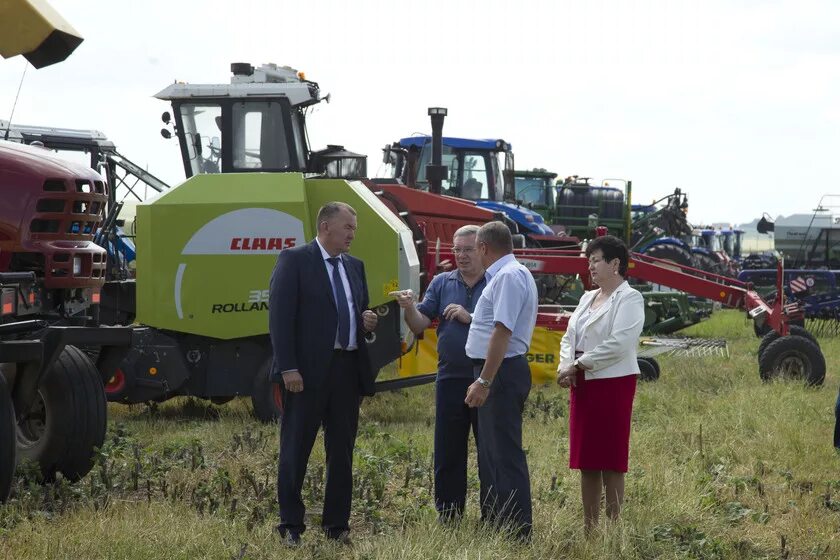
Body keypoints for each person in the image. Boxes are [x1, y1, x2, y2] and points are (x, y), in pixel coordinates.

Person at [269, 201, 379, 547]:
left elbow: (357, 311)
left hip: (346, 371)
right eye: (347, 227)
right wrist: (288, 367)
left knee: (342, 451)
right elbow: (280, 319)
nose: (352, 234)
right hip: (306, 373)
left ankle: (336, 526)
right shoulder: (295, 260)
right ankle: (290, 525)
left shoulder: (355, 267)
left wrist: (367, 322)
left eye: (354, 229)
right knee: (296, 448)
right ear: (326, 226)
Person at [392, 225, 488, 523]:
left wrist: (469, 317)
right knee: (448, 450)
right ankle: (449, 513)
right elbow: (420, 323)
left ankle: (494, 514)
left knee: (489, 451)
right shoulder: (442, 282)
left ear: (483, 249)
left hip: (485, 377)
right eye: (457, 250)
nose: (461, 256)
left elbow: (504, 326)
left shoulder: (497, 282)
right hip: (450, 377)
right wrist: (408, 308)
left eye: (468, 249)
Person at [556, 235, 644, 535]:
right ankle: (590, 529)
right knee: (587, 459)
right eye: (589, 261)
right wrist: (565, 366)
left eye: (596, 260)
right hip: (582, 384)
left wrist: (578, 365)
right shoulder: (586, 298)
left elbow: (619, 343)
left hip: (612, 384)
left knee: (612, 459)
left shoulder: (629, 298)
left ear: (615, 263)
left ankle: (614, 528)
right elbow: (569, 337)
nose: (590, 266)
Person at [464, 220, 538, 540]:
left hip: (501, 372)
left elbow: (502, 331)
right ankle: (496, 521)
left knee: (504, 452)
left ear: (483, 248)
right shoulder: (508, 275)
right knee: (491, 451)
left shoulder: (508, 277)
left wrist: (484, 380)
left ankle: (516, 530)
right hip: (498, 370)